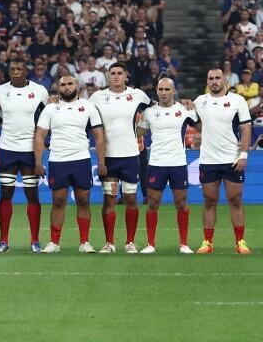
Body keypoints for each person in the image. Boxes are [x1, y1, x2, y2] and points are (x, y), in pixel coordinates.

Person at [33, 73, 107, 253]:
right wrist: (38, 162)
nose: (66, 87)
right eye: (63, 84)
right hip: (58, 160)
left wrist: (102, 162)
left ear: (77, 86)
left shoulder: (88, 107)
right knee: (58, 201)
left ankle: (84, 242)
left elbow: (98, 136)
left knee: (83, 201)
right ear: (59, 88)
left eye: (70, 84)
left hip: (81, 159)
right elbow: (40, 136)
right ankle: (54, 243)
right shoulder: (50, 109)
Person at [187, 68, 252, 254]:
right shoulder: (200, 101)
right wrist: (188, 109)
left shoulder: (237, 100)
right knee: (209, 201)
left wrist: (243, 155)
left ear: (224, 80)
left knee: (235, 200)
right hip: (208, 160)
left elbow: (246, 129)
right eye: (211, 79)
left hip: (232, 159)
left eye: (217, 78)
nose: (214, 81)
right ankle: (207, 242)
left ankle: (240, 242)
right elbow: (199, 124)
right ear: (207, 81)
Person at [0, 56, 48, 252]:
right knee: (6, 194)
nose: (16, 72)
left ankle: (35, 241)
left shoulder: (39, 91)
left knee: (33, 195)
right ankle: (3, 241)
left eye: (19, 69)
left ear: (26, 71)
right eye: (12, 69)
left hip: (30, 150)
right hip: (7, 149)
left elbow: (48, 115)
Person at [89, 63, 151, 253]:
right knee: (109, 199)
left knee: (131, 198)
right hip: (108, 156)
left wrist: (141, 131)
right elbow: (80, 110)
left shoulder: (138, 95)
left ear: (126, 76)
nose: (116, 76)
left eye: (119, 73)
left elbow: (155, 109)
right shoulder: (97, 97)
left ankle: (130, 242)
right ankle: (109, 243)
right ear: (108, 76)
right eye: (113, 73)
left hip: (131, 156)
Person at [136, 78, 195, 254]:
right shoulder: (149, 112)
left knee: (181, 203)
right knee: (153, 203)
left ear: (173, 90)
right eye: (160, 89)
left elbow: (200, 125)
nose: (163, 92)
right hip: (156, 163)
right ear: (156, 90)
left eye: (166, 89)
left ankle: (184, 244)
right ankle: (151, 244)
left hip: (178, 163)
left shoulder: (183, 110)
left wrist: (194, 106)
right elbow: (138, 132)